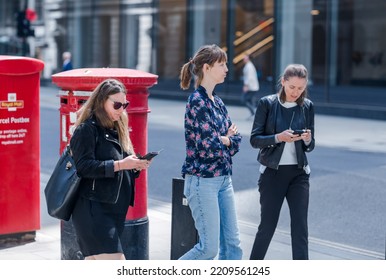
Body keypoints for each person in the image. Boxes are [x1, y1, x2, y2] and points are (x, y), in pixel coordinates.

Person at [69, 78, 150, 260]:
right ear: (101, 101)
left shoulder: (117, 129)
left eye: (125, 104)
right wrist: (122, 164)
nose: (122, 110)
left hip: (113, 210)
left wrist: (135, 166)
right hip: (93, 210)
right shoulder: (87, 130)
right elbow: (83, 167)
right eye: (117, 105)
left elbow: (120, 168)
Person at [178, 44, 243, 260]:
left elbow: (236, 141)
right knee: (208, 249)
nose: (227, 69)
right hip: (202, 181)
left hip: (224, 180)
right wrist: (225, 139)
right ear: (207, 67)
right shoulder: (196, 102)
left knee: (233, 246)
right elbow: (207, 147)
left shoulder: (218, 103)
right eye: (222, 64)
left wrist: (225, 140)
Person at [249, 64, 315, 260]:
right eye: (292, 87)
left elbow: (311, 146)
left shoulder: (308, 107)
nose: (296, 92)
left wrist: (307, 140)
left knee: (300, 228)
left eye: (301, 88)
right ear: (283, 81)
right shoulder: (267, 104)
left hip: (299, 174)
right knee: (267, 227)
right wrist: (279, 137)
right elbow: (254, 140)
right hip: (272, 174)